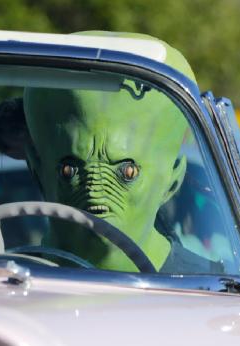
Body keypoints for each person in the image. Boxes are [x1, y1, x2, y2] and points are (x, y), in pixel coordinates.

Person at [22, 32, 219, 274]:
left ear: (172, 180)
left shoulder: (219, 295)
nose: (95, 193)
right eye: (69, 170)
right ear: (37, 172)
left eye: (127, 171)